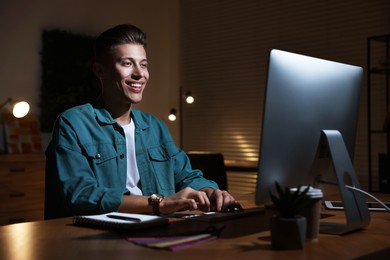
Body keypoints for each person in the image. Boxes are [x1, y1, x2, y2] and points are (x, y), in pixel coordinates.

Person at [44, 24, 241, 219]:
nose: (139, 74)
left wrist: (210, 192)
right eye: (127, 63)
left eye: (143, 64)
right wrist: (160, 204)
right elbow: (81, 195)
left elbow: (187, 176)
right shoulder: (72, 123)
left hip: (157, 230)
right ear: (99, 71)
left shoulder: (155, 126)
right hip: (99, 240)